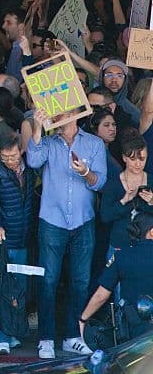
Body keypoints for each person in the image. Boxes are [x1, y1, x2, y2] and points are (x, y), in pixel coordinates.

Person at [27, 105, 108, 359]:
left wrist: (85, 172)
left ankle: (73, 336)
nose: (55, 117)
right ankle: (46, 338)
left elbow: (101, 182)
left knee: (80, 281)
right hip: (52, 220)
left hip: (83, 221)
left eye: (59, 114)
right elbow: (32, 160)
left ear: (74, 115)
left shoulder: (94, 143)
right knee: (48, 281)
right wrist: (37, 128)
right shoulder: (49, 142)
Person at [0, 134, 36, 354]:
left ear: (21, 151)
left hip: (21, 239)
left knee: (18, 290)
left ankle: (13, 332)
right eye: (5, 158)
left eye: (13, 156)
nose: (10, 161)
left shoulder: (30, 169)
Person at [79, 212, 153, 341]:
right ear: (151, 231)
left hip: (134, 332)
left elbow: (101, 296)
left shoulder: (121, 256)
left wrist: (83, 319)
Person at [100, 133, 152, 267]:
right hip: (119, 245)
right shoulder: (113, 183)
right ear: (124, 158)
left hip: (147, 246)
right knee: (115, 286)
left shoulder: (151, 180)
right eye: (133, 159)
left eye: (142, 159)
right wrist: (123, 201)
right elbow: (105, 217)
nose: (138, 163)